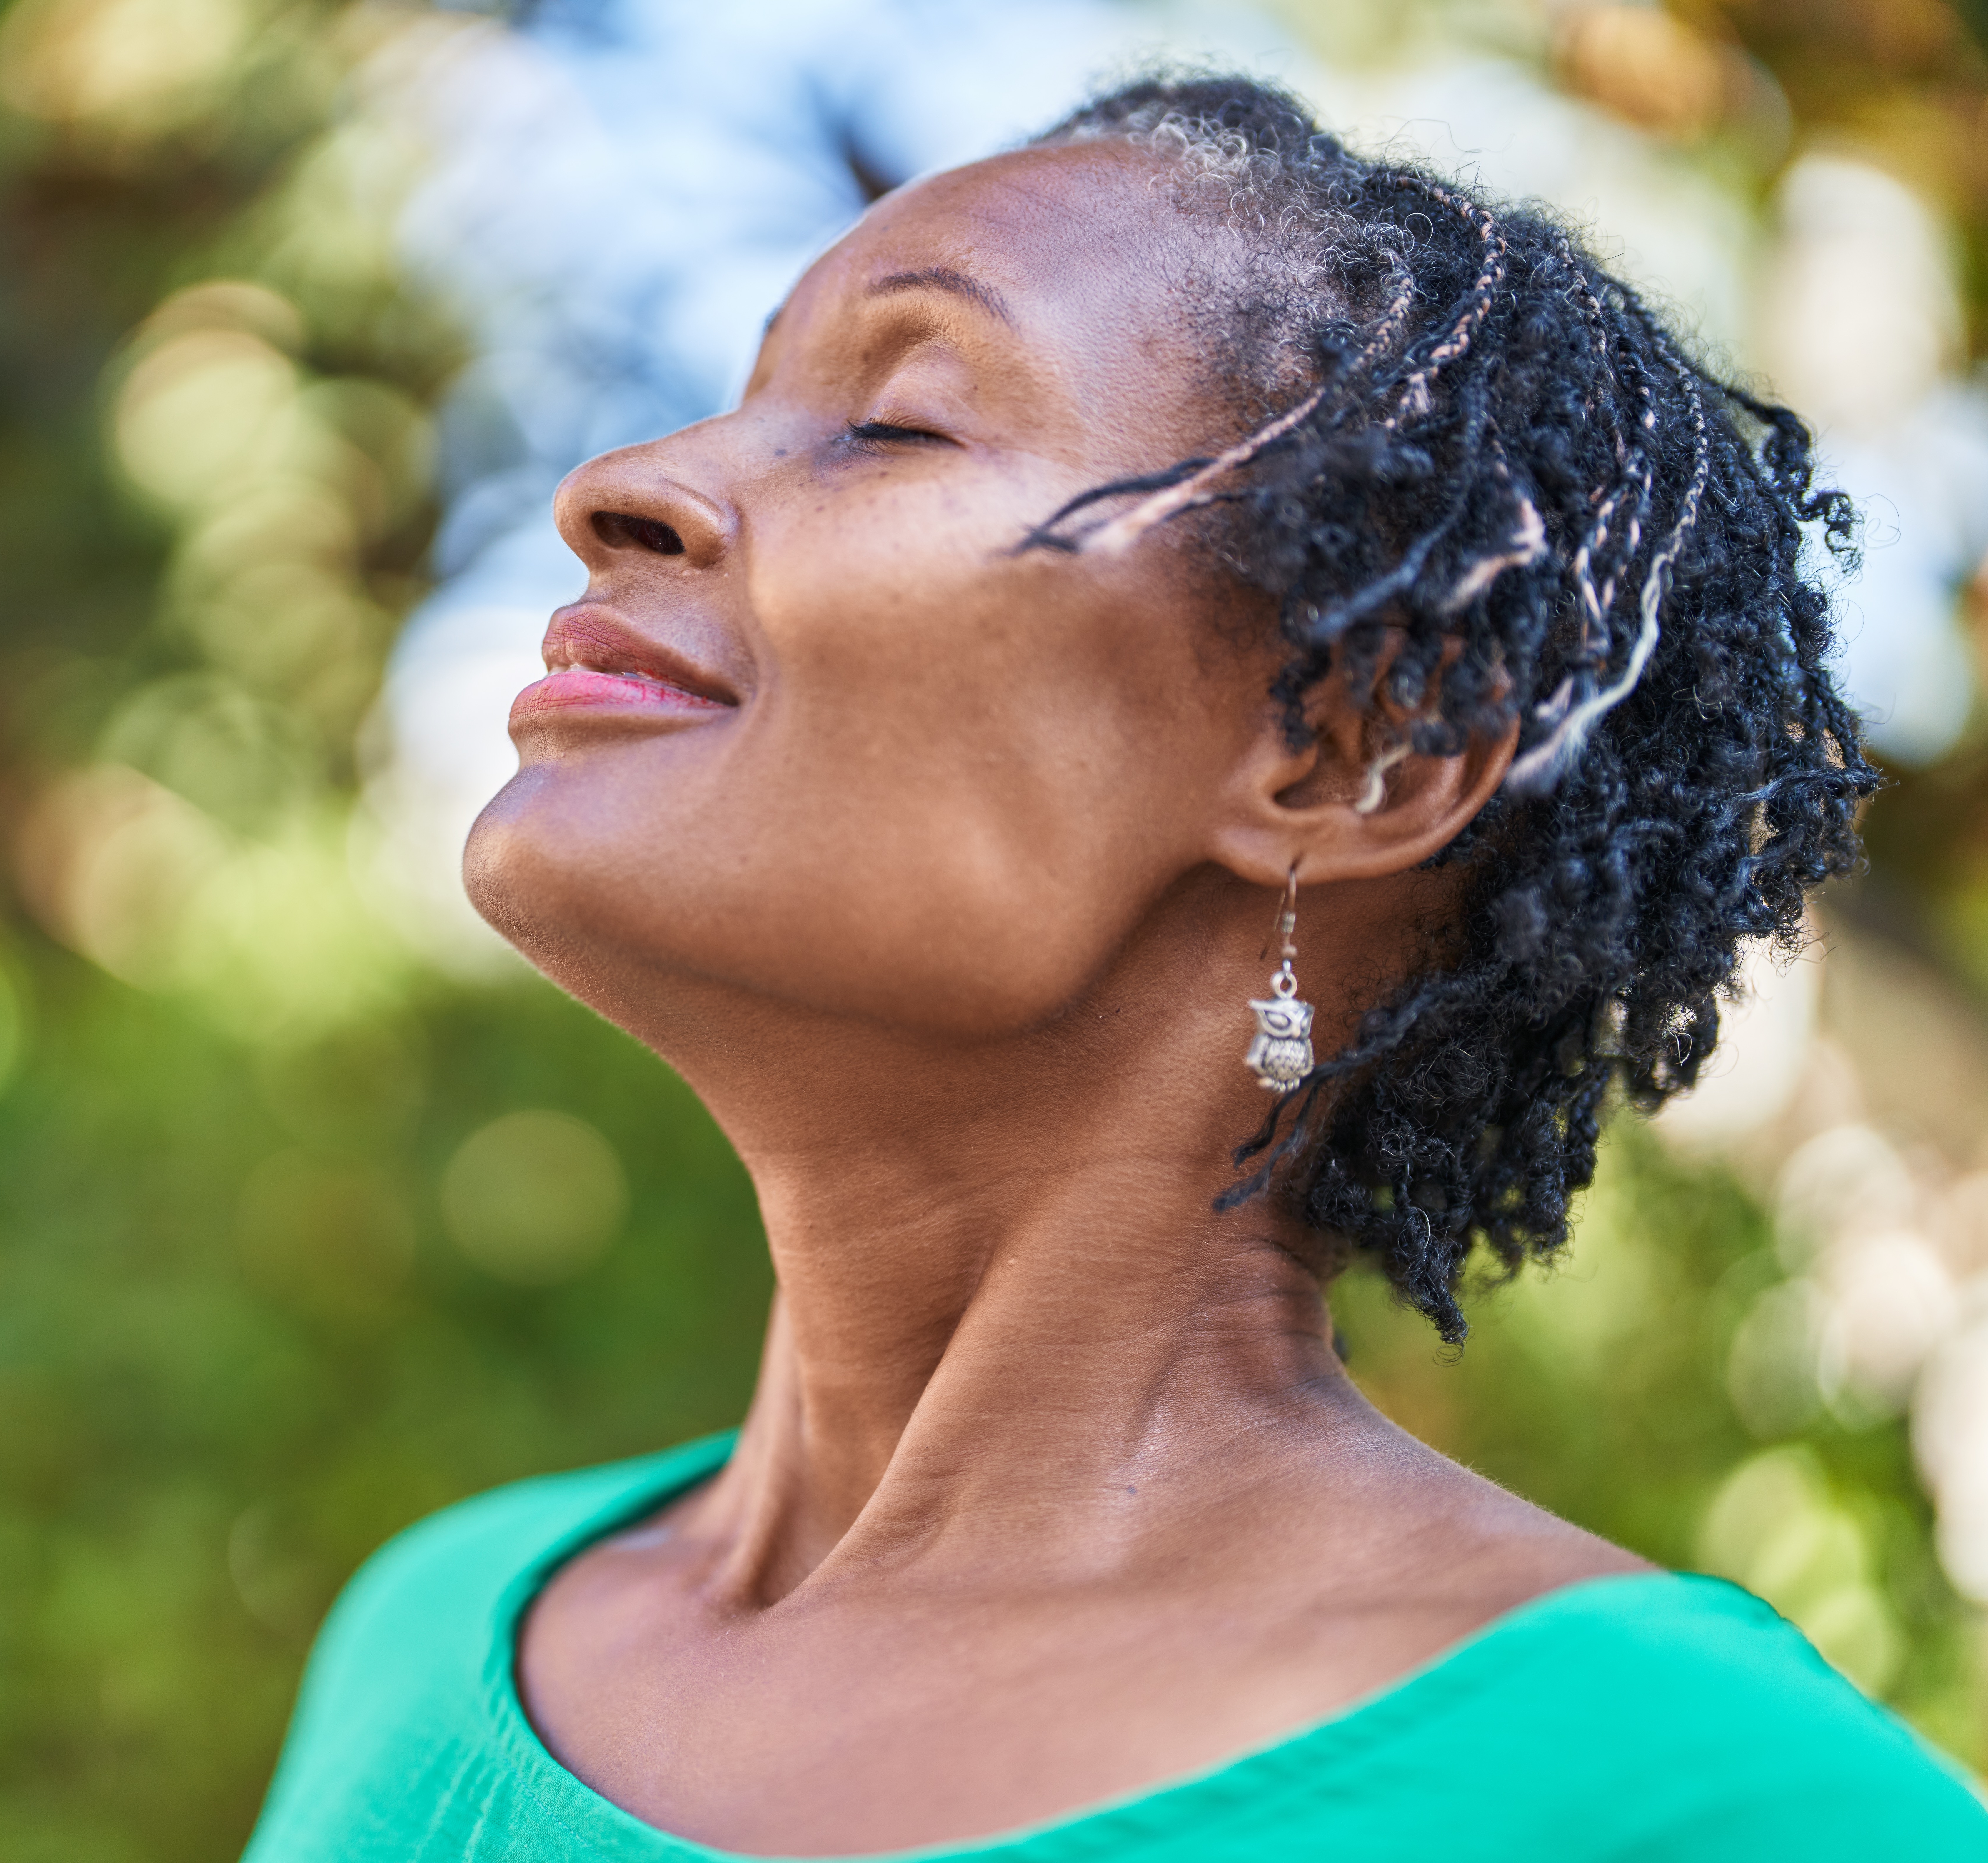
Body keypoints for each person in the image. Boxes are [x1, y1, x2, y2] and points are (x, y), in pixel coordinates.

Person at [241, 76, 1988, 1859]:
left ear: (1351, 755)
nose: (625, 486)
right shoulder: (432, 1631)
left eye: (901, 426)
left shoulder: (1680, 1796)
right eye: (744, 390)